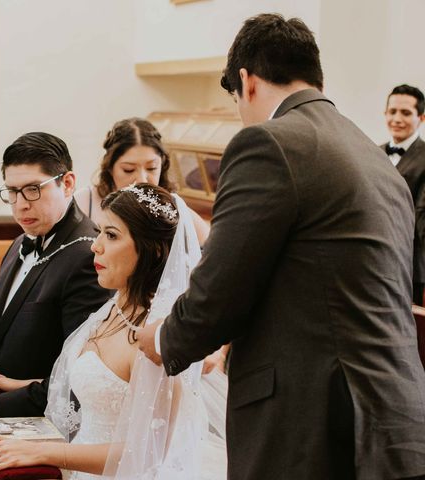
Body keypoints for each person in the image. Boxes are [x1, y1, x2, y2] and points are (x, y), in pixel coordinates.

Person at [138, 13, 425, 480]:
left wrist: (167, 337)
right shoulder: (377, 160)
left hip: (314, 429)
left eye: (235, 98)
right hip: (397, 421)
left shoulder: (268, 143)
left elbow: (220, 288)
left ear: (247, 83)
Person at [0, 184, 228, 479]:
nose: (95, 245)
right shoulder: (113, 308)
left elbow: (147, 452)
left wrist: (40, 450)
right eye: (99, 231)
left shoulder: (155, 339)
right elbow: (100, 385)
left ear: (154, 250)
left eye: (111, 235)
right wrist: (15, 384)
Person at [0, 132, 111, 417]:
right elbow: (2, 337)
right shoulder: (21, 241)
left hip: (39, 420)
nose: (20, 204)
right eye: (12, 191)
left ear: (67, 184)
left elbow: (81, 375)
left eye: (32, 189)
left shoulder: (88, 256)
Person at [75, 117, 211, 245]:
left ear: (162, 165)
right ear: (110, 168)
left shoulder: (175, 210)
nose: (141, 179)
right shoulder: (84, 203)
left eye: (151, 168)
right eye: (128, 169)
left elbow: (210, 248)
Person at [381, 84, 425, 305]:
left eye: (406, 113)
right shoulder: (373, 153)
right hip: (375, 261)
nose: (397, 118)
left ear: (421, 118)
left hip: (412, 268)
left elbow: (421, 215)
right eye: (392, 111)